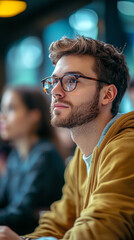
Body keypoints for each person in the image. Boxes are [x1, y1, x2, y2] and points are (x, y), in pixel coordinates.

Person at [0, 35, 134, 240]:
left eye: (72, 81)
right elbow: (56, 223)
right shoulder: (80, 158)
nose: (55, 91)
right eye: (54, 81)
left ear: (107, 95)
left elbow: (101, 231)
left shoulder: (127, 147)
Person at [0, 86, 65, 235]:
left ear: (34, 116)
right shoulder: (15, 156)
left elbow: (23, 215)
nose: (2, 117)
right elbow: (3, 199)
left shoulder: (45, 155)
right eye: (2, 109)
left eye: (11, 109)